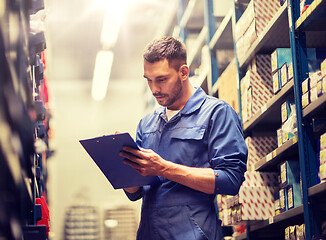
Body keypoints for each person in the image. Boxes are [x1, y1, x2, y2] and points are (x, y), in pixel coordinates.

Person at [119, 36, 247, 240]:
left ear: (183, 72)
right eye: (149, 80)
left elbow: (231, 180)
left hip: (193, 235)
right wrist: (123, 166)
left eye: (161, 79)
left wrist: (163, 168)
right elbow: (136, 192)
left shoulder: (216, 113)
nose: (154, 89)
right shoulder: (147, 124)